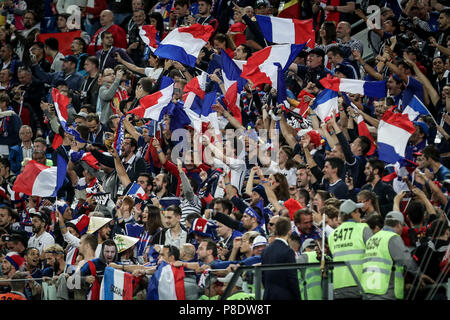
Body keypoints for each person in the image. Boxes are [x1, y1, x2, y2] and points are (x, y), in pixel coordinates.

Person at [361, 211, 434, 300]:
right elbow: (405, 259)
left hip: (368, 288)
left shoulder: (372, 239)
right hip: (384, 291)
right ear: (399, 224)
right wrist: (419, 274)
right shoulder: (392, 237)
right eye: (403, 226)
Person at [328, 199, 372, 300]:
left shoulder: (332, 235)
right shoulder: (363, 228)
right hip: (360, 283)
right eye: (358, 212)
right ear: (352, 213)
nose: (360, 214)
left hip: (339, 286)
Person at [261, 216, 301, 300]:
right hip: (285, 296)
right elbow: (292, 278)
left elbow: (263, 277)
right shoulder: (288, 251)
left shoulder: (265, 251)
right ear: (289, 232)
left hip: (268, 296)